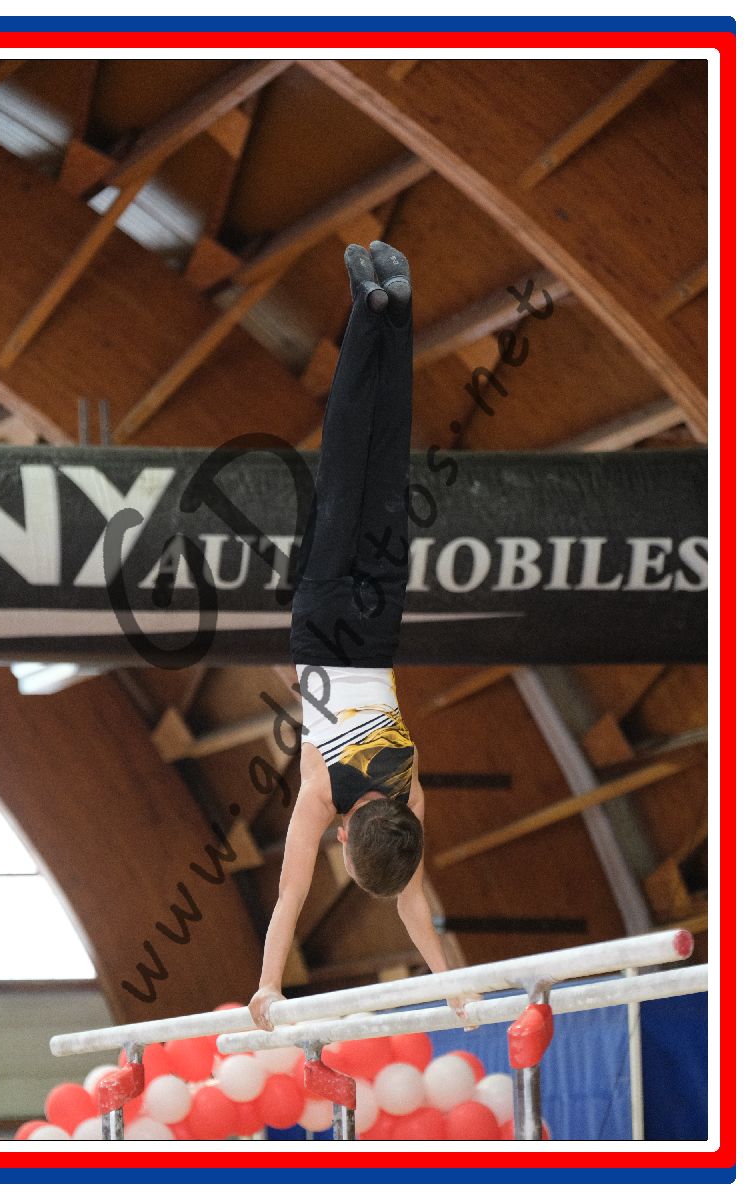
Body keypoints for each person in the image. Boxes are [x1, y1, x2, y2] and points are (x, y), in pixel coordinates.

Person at [249, 243, 457, 1031]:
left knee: (385, 458)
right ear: (343, 837)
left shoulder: (409, 791)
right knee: (344, 458)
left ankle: (393, 306)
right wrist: (268, 986)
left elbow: (414, 905)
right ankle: (367, 303)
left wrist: (456, 986)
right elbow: (289, 897)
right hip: (321, 623)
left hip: (376, 622)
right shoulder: (318, 796)